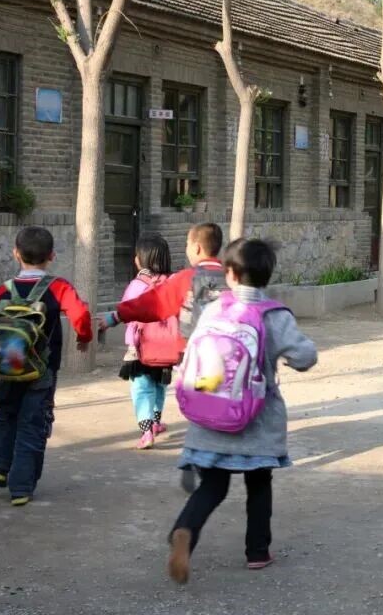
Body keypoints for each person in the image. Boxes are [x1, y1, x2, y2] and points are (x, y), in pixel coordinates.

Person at [104, 238, 316, 583]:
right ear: (268, 275)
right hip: (257, 421)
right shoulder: (275, 315)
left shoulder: (213, 309)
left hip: (210, 417)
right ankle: (257, 552)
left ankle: (185, 531)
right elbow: (305, 357)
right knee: (259, 483)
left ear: (229, 274)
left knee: (213, 486)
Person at [0, 226, 92, 506]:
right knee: (32, 424)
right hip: (41, 370)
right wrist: (84, 338)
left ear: (15, 254)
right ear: (52, 255)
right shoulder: (58, 287)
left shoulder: (5, 289)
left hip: (4, 367)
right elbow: (80, 314)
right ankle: (20, 488)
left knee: (5, 414)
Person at [97, 224, 226, 472]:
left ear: (197, 248)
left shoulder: (184, 279)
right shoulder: (232, 277)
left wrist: (116, 316)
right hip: (224, 357)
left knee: (194, 401)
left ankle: (199, 454)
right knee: (213, 400)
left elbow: (151, 304)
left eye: (187, 244)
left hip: (193, 356)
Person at [118, 234, 177, 450]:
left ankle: (146, 432)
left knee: (142, 389)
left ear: (139, 260)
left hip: (140, 348)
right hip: (166, 347)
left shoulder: (137, 285)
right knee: (160, 385)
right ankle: (156, 422)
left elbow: (126, 313)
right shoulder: (172, 282)